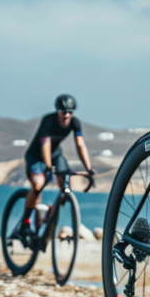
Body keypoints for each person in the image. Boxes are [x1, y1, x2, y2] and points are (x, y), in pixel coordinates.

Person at [22, 94, 95, 230]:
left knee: (65, 184)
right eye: (63, 112)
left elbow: (80, 145)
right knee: (38, 185)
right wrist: (49, 167)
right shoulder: (48, 120)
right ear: (57, 111)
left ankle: (51, 215)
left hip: (55, 154)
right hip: (36, 156)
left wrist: (89, 168)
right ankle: (25, 221)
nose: (66, 115)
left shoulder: (75, 122)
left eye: (70, 112)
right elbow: (45, 145)